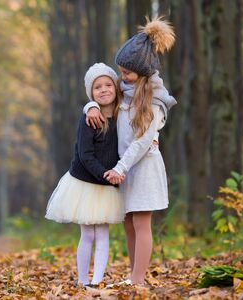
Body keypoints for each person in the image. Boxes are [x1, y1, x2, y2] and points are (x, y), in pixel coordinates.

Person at [83, 17, 177, 285]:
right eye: (120, 71)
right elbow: (101, 97)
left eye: (126, 72)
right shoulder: (124, 92)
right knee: (127, 223)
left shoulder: (154, 101)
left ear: (143, 70)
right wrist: (89, 107)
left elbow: (143, 141)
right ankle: (133, 274)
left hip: (143, 167)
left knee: (140, 223)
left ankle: (138, 280)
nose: (120, 76)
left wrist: (120, 167)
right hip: (124, 169)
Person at [45, 63, 125, 287]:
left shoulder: (121, 116)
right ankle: (82, 280)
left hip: (107, 184)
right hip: (86, 182)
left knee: (103, 235)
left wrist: (115, 174)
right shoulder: (90, 118)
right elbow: (84, 154)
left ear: (115, 87)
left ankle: (97, 281)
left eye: (108, 84)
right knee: (88, 235)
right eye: (97, 87)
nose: (104, 89)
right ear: (91, 93)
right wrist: (105, 174)